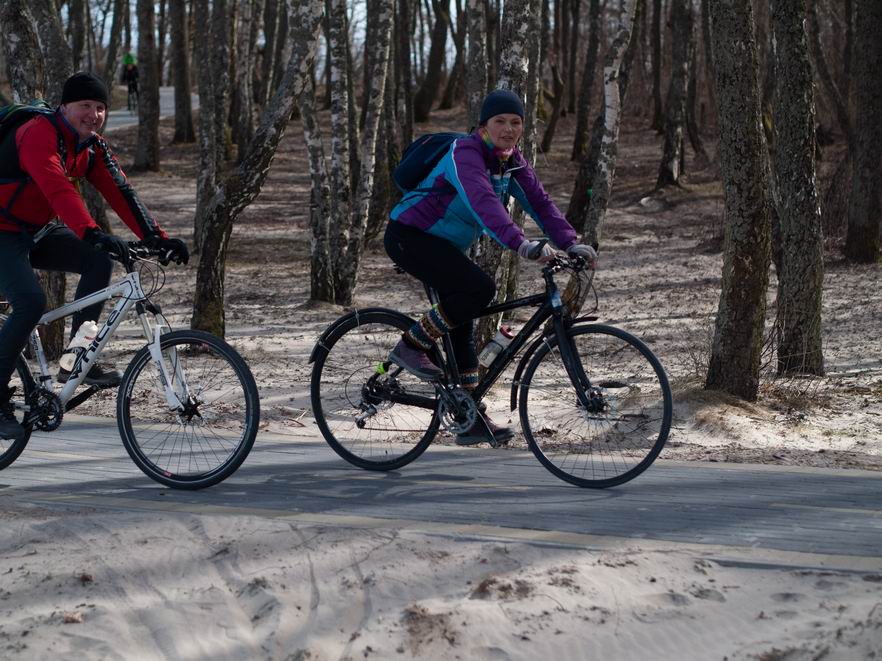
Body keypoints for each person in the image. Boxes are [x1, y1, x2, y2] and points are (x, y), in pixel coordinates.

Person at [384, 89, 597, 446]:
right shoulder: (464, 153)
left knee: (464, 317)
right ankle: (410, 346)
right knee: (479, 289)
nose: (509, 129)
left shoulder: (511, 161)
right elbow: (483, 203)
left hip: (444, 245)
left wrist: (570, 241)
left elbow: (540, 203)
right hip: (410, 235)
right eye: (500, 121)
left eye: (516, 122)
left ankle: (469, 417)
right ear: (484, 124)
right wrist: (522, 244)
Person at [0, 72, 188, 442]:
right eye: (86, 106)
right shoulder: (38, 132)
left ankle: (74, 361)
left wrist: (158, 238)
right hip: (2, 231)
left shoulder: (92, 147)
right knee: (30, 301)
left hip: (36, 229)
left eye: (101, 107)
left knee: (98, 262)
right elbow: (57, 190)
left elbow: (122, 192)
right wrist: (91, 232)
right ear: (65, 106)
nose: (94, 114)